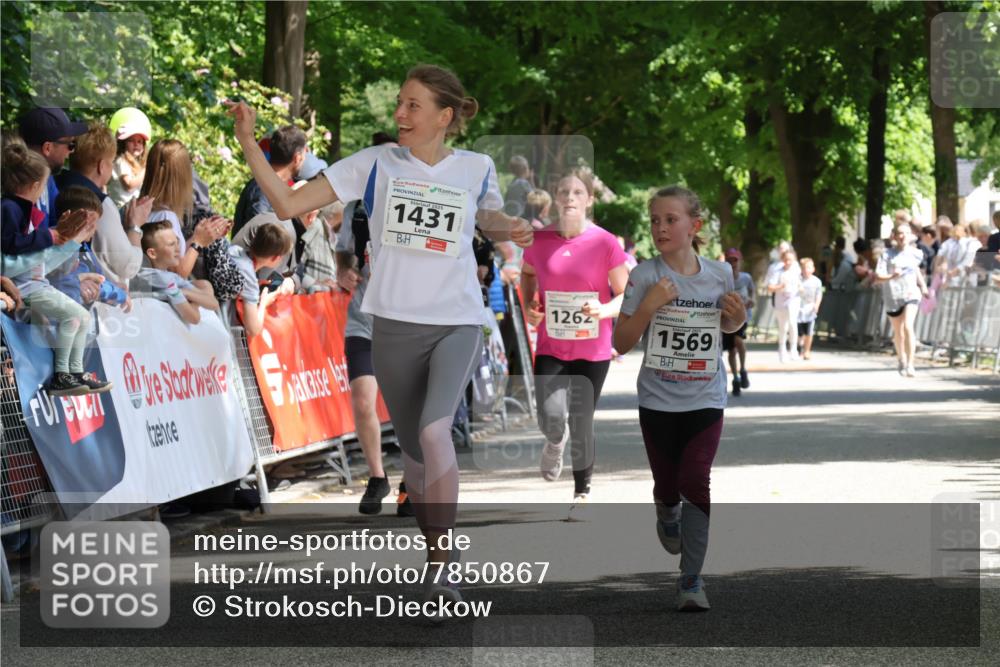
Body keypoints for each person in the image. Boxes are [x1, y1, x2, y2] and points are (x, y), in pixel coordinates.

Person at [228, 64, 531, 609]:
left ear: (444, 115)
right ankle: (436, 544)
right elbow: (289, 205)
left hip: (455, 321)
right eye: (399, 103)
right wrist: (249, 140)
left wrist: (517, 229)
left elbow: (491, 220)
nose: (400, 114)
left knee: (436, 434)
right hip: (391, 322)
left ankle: (442, 561)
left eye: (413, 106)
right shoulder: (374, 163)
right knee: (415, 453)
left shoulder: (476, 166)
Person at [612, 185, 746, 612]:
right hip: (657, 400)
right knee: (669, 487)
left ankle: (691, 579)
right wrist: (649, 305)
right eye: (655, 220)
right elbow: (622, 341)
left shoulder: (720, 274)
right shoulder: (644, 274)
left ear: (695, 226)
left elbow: (728, 327)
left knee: (696, 480)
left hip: (705, 396)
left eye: (671, 219)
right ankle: (666, 510)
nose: (661, 227)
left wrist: (737, 317)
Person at [519, 169, 630, 515]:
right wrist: (529, 305)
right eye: (564, 191)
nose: (570, 197)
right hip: (551, 344)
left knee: (581, 418)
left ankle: (582, 491)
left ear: (589, 201)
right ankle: (555, 440)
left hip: (592, 348)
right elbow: (527, 275)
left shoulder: (604, 242)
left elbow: (626, 294)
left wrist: (603, 309)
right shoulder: (539, 241)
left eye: (578, 192)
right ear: (555, 197)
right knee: (550, 417)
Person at [1, 141, 111, 395]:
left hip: (35, 283)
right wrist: (55, 238)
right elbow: (10, 260)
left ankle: (73, 373)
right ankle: (63, 375)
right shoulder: (9, 209)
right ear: (34, 186)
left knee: (80, 317)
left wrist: (68, 242)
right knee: (75, 317)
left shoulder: (27, 212)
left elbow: (39, 262)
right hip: (26, 288)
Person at [55, 122, 148, 287]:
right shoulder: (101, 204)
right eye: (111, 162)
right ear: (102, 166)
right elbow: (126, 265)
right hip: (92, 293)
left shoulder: (54, 184)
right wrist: (135, 227)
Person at [139, 139, 231, 280]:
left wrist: (197, 236)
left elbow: (173, 256)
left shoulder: (143, 208)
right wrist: (198, 242)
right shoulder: (166, 216)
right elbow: (177, 272)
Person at [48, 186, 131, 312]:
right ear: (69, 217)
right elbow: (69, 285)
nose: (95, 228)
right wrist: (119, 294)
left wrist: (114, 287)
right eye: (90, 222)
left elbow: (99, 278)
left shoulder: (83, 247)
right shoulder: (62, 248)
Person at [131, 221, 219, 324]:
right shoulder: (166, 282)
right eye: (171, 244)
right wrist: (191, 298)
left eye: (177, 242)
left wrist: (187, 293)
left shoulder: (142, 272)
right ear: (152, 253)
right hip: (167, 329)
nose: (178, 249)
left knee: (204, 284)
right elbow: (196, 318)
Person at [873, 224, 928, 376]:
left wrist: (923, 287)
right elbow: (878, 276)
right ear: (894, 236)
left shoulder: (916, 253)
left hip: (910, 294)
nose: (903, 236)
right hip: (893, 295)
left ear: (910, 235)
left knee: (908, 326)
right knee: (899, 332)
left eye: (906, 233)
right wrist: (892, 276)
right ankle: (901, 358)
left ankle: (911, 364)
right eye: (900, 233)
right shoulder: (887, 255)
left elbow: (915, 270)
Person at [232, 125, 307, 235]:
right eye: (305, 154)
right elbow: (259, 236)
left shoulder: (271, 186)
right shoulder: (263, 188)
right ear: (297, 158)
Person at [17, 107, 88, 222]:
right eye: (70, 145)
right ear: (47, 148)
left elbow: (56, 221)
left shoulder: (47, 178)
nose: (72, 151)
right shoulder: (16, 185)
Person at [227, 222, 294, 337]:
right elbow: (254, 329)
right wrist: (264, 302)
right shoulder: (249, 277)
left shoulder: (235, 250)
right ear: (275, 258)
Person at [722, 248, 754, 395]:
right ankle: (735, 378)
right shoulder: (721, 278)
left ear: (739, 262)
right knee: (731, 350)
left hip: (743, 317)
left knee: (738, 342)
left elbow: (752, 293)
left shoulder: (746, 278)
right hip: (727, 317)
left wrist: (751, 302)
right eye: (729, 261)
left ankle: (743, 369)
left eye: (735, 261)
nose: (732, 264)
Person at [106, 107, 152, 208]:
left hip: (129, 208)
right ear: (123, 144)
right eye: (131, 140)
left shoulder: (134, 164)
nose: (136, 144)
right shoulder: (121, 161)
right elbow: (129, 186)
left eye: (140, 142)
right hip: (120, 208)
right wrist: (146, 169)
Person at [768, 248, 801, 362]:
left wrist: (800, 288)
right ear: (782, 260)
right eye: (786, 260)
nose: (788, 262)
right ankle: (782, 350)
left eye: (790, 260)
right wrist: (780, 286)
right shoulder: (777, 271)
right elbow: (770, 287)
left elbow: (800, 284)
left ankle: (794, 349)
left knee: (793, 324)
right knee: (783, 327)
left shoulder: (797, 270)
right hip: (781, 302)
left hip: (793, 301)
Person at [797, 257, 823, 360]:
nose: (806, 270)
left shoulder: (816, 281)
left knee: (809, 332)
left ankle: (807, 350)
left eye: (808, 267)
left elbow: (819, 294)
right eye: (804, 268)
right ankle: (799, 349)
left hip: (810, 309)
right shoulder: (798, 280)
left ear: (813, 269)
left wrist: (816, 305)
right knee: (799, 333)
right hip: (798, 309)